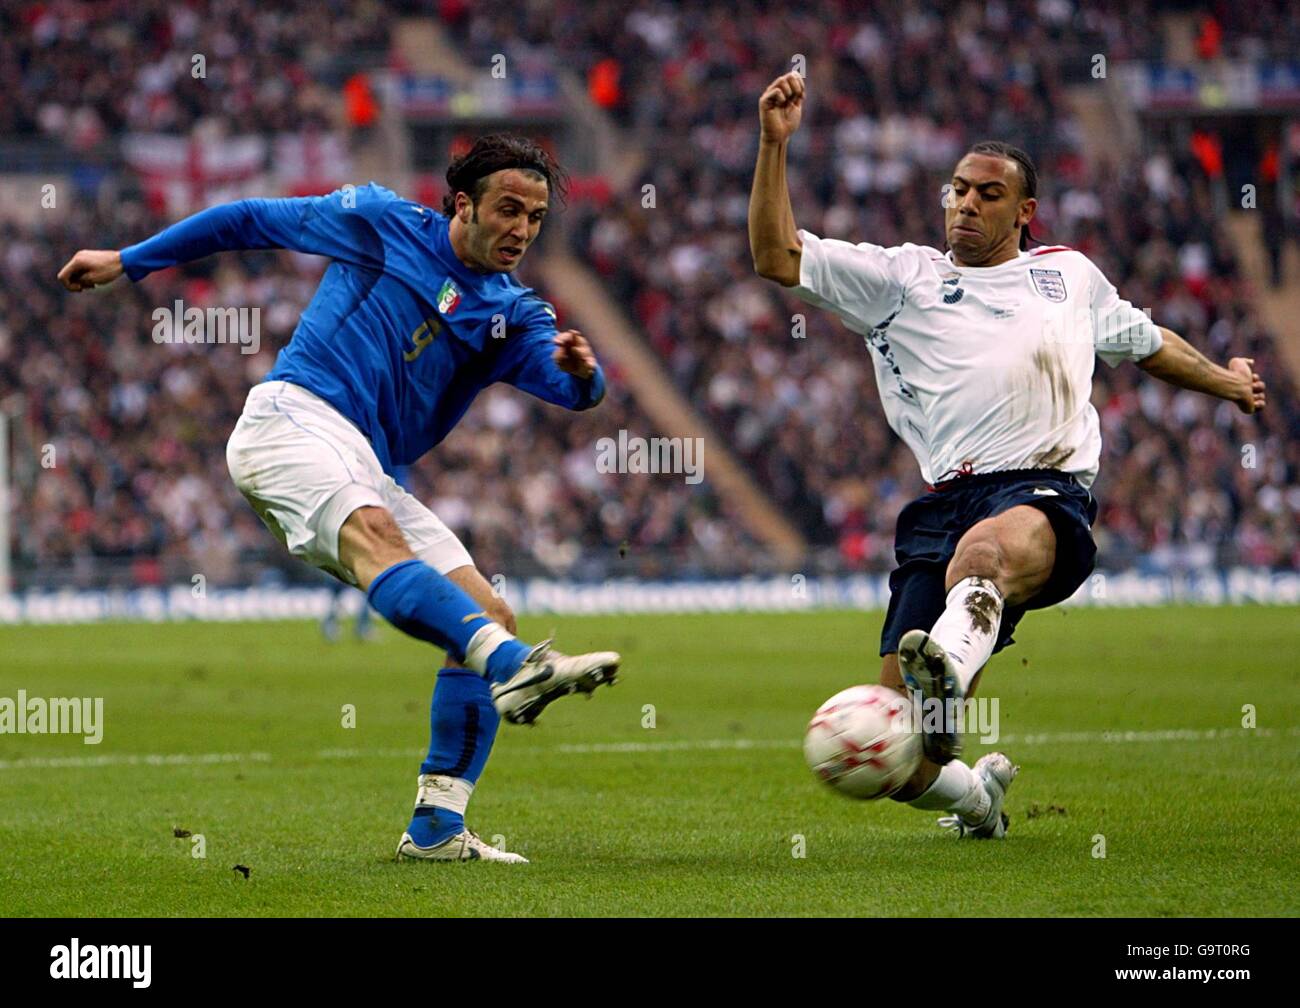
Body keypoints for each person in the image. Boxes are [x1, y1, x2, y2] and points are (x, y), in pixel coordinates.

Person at [58, 134, 624, 863]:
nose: (521, 229)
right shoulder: (380, 220)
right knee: (379, 539)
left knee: (487, 612)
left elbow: (576, 390)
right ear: (462, 204)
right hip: (293, 419)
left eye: (536, 217)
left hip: (364, 461)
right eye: (508, 209)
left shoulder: (513, 313)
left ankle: (437, 831)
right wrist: (129, 260)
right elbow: (250, 218)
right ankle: (512, 665)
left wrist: (584, 375)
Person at [749, 72, 1267, 838]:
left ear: (1024, 212)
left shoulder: (1069, 277)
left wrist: (1226, 383)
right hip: (942, 504)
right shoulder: (901, 278)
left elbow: (1149, 344)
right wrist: (772, 144)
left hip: (1045, 494)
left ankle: (949, 673)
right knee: (898, 757)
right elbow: (774, 254)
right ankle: (975, 801)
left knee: (984, 554)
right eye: (957, 189)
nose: (964, 203)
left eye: (986, 194)